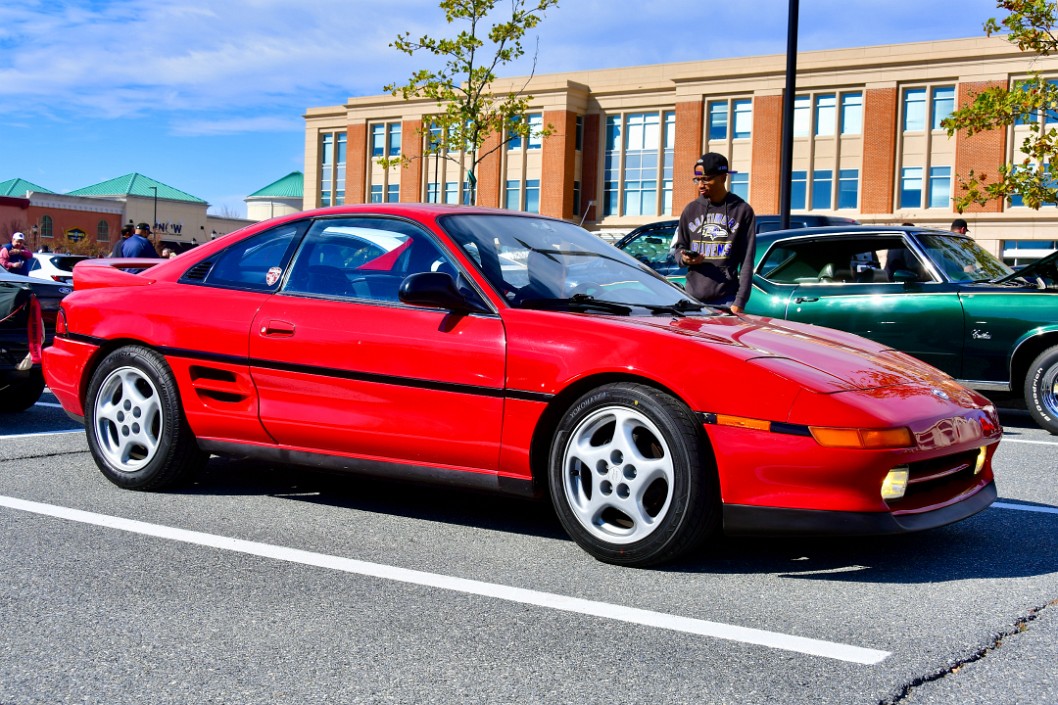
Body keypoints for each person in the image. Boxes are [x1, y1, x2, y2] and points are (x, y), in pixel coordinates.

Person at [673, 153, 756, 313]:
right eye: (697, 179)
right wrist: (685, 259)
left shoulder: (742, 210)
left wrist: (739, 303)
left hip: (725, 301)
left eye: (706, 179)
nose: (700, 185)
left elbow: (747, 261)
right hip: (693, 300)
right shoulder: (691, 210)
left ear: (723, 178)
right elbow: (678, 249)